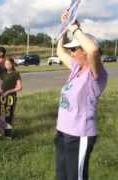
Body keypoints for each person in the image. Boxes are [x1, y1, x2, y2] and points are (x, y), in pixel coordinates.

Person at [54, 10, 108, 180]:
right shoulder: (77, 69)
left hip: (79, 135)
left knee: (75, 177)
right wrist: (64, 27)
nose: (72, 52)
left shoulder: (95, 74)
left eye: (75, 49)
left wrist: (74, 27)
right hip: (63, 132)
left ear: (84, 51)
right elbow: (60, 52)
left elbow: (93, 50)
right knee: (62, 176)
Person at [0, 57, 22, 139]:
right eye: (5, 64)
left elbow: (19, 87)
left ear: (12, 64)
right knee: (0, 114)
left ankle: (8, 134)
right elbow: (0, 83)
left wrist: (9, 92)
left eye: (9, 64)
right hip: (2, 96)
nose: (7, 65)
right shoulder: (3, 73)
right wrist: (0, 90)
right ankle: (0, 131)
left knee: (9, 115)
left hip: (11, 97)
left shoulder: (16, 73)